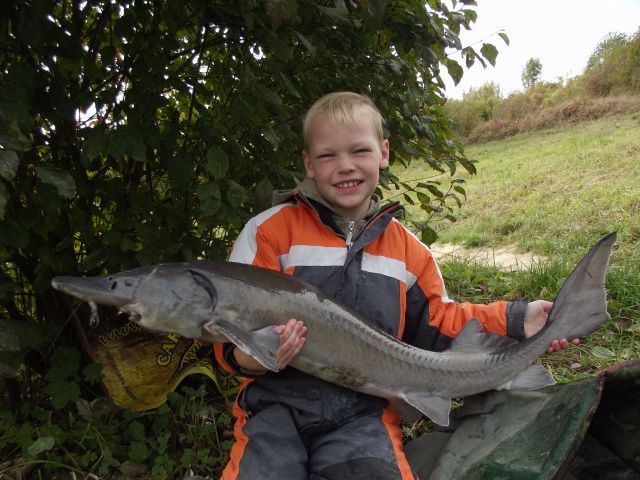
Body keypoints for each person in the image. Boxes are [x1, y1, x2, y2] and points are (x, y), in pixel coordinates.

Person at [213, 91, 576, 480]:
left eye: (359, 151)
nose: (345, 166)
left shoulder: (408, 251)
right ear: (308, 164)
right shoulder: (268, 232)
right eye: (327, 156)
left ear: (383, 153)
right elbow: (225, 320)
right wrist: (241, 358)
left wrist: (517, 320)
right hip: (274, 409)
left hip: (364, 415)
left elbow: (441, 321)